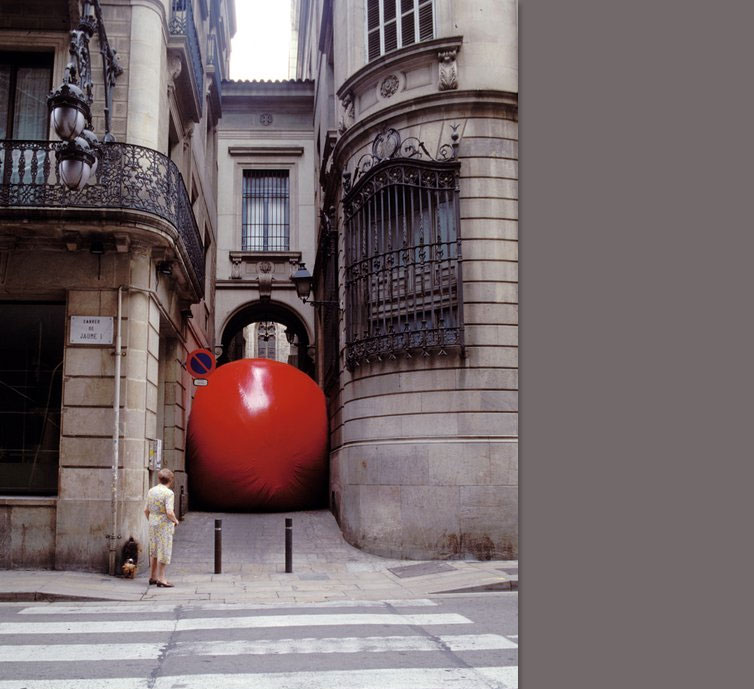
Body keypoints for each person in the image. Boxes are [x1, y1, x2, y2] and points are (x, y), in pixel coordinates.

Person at [144, 468, 179, 587]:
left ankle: (152, 576)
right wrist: (175, 520)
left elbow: (146, 510)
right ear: (171, 480)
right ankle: (161, 578)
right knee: (164, 550)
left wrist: (151, 519)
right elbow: (169, 512)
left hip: (153, 522)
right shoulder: (168, 493)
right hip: (164, 524)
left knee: (153, 550)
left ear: (159, 478)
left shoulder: (151, 491)